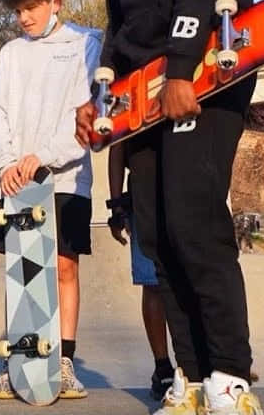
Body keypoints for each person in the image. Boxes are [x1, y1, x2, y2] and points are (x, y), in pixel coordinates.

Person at [67, 0, 264, 415]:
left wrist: (181, 66)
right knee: (156, 232)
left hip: (203, 74)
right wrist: (102, 97)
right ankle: (194, 375)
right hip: (146, 91)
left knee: (193, 220)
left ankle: (231, 377)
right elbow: (122, 18)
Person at [0, 0, 101, 401]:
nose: (24, 17)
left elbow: (84, 111)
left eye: (32, 7)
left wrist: (44, 157)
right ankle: (21, 363)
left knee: (64, 267)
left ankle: (63, 361)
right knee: (21, 269)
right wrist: (7, 162)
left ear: (56, 3)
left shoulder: (86, 44)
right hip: (16, 181)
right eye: (18, 10)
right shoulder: (11, 54)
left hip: (65, 178)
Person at [107, 143, 176, 401]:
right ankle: (162, 367)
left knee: (191, 281)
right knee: (153, 282)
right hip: (144, 196)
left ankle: (195, 364)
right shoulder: (127, 101)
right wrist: (115, 207)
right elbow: (117, 146)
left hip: (183, 190)